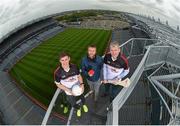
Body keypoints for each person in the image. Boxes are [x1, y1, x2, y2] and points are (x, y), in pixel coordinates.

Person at [54, 52, 88, 117]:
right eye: (62, 60)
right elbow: (58, 84)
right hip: (68, 92)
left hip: (78, 87)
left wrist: (82, 84)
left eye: (66, 59)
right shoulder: (57, 72)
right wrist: (69, 90)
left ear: (69, 59)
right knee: (72, 103)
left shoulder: (74, 67)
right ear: (60, 61)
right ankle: (78, 108)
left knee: (82, 97)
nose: (65, 62)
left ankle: (83, 105)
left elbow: (79, 76)